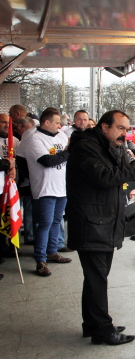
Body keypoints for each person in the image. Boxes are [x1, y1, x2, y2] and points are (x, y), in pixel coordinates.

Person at [67, 110, 135, 345]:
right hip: (91, 224)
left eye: (127, 129)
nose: (125, 134)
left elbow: (120, 177)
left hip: (103, 222)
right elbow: (104, 177)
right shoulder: (85, 147)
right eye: (120, 128)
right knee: (97, 279)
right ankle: (103, 331)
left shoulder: (111, 145)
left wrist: (127, 157)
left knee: (96, 278)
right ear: (105, 127)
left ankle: (93, 324)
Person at [21, 107, 71, 276]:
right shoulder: (35, 139)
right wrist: (68, 152)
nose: (60, 126)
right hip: (44, 188)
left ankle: (52, 251)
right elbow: (47, 160)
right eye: (57, 122)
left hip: (61, 188)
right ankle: (40, 259)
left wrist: (67, 153)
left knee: (57, 221)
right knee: (44, 224)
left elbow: (65, 157)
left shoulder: (61, 135)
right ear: (47, 122)